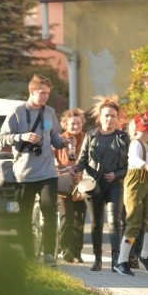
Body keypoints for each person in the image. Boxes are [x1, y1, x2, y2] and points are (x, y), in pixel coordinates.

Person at [0, 73, 68, 266]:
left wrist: (62, 142)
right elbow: (2, 138)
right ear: (32, 91)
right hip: (24, 174)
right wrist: (23, 137)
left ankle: (48, 254)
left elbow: (53, 136)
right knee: (24, 215)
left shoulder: (50, 112)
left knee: (49, 209)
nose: (45, 96)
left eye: (47, 93)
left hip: (47, 172)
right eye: (42, 93)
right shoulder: (18, 112)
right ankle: (28, 253)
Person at [70, 95, 130, 272]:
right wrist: (75, 168)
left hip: (114, 184)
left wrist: (116, 174)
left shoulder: (123, 138)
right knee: (96, 223)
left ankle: (115, 260)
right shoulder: (91, 136)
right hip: (93, 185)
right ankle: (97, 259)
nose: (109, 119)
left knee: (115, 221)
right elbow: (82, 161)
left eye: (113, 115)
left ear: (117, 118)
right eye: (106, 115)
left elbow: (128, 165)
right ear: (100, 117)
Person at [114, 111, 148, 276]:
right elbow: (134, 159)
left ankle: (144, 255)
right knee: (134, 224)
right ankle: (121, 260)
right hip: (135, 184)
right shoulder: (136, 144)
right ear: (147, 129)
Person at [54, 108, 87, 264]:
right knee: (66, 217)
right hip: (64, 182)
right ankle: (66, 248)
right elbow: (53, 160)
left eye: (78, 123)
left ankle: (77, 252)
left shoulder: (87, 139)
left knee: (79, 219)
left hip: (81, 184)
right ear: (65, 124)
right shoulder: (58, 140)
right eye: (73, 124)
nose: (76, 127)